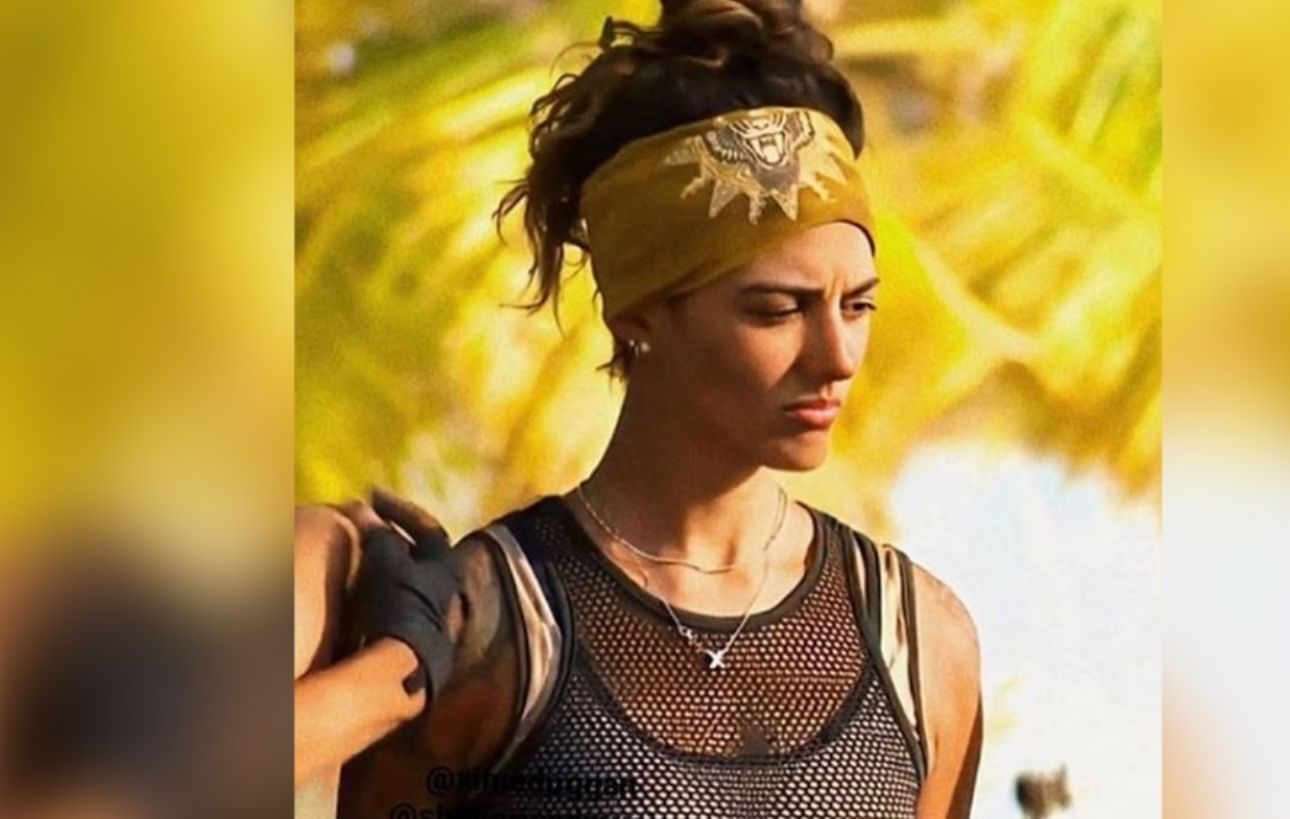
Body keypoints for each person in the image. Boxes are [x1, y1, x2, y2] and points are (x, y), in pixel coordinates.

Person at [294, 0, 983, 816]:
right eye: (777, 310)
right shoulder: (487, 629)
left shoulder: (920, 646)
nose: (838, 355)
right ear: (640, 312)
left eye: (857, 305)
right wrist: (386, 678)